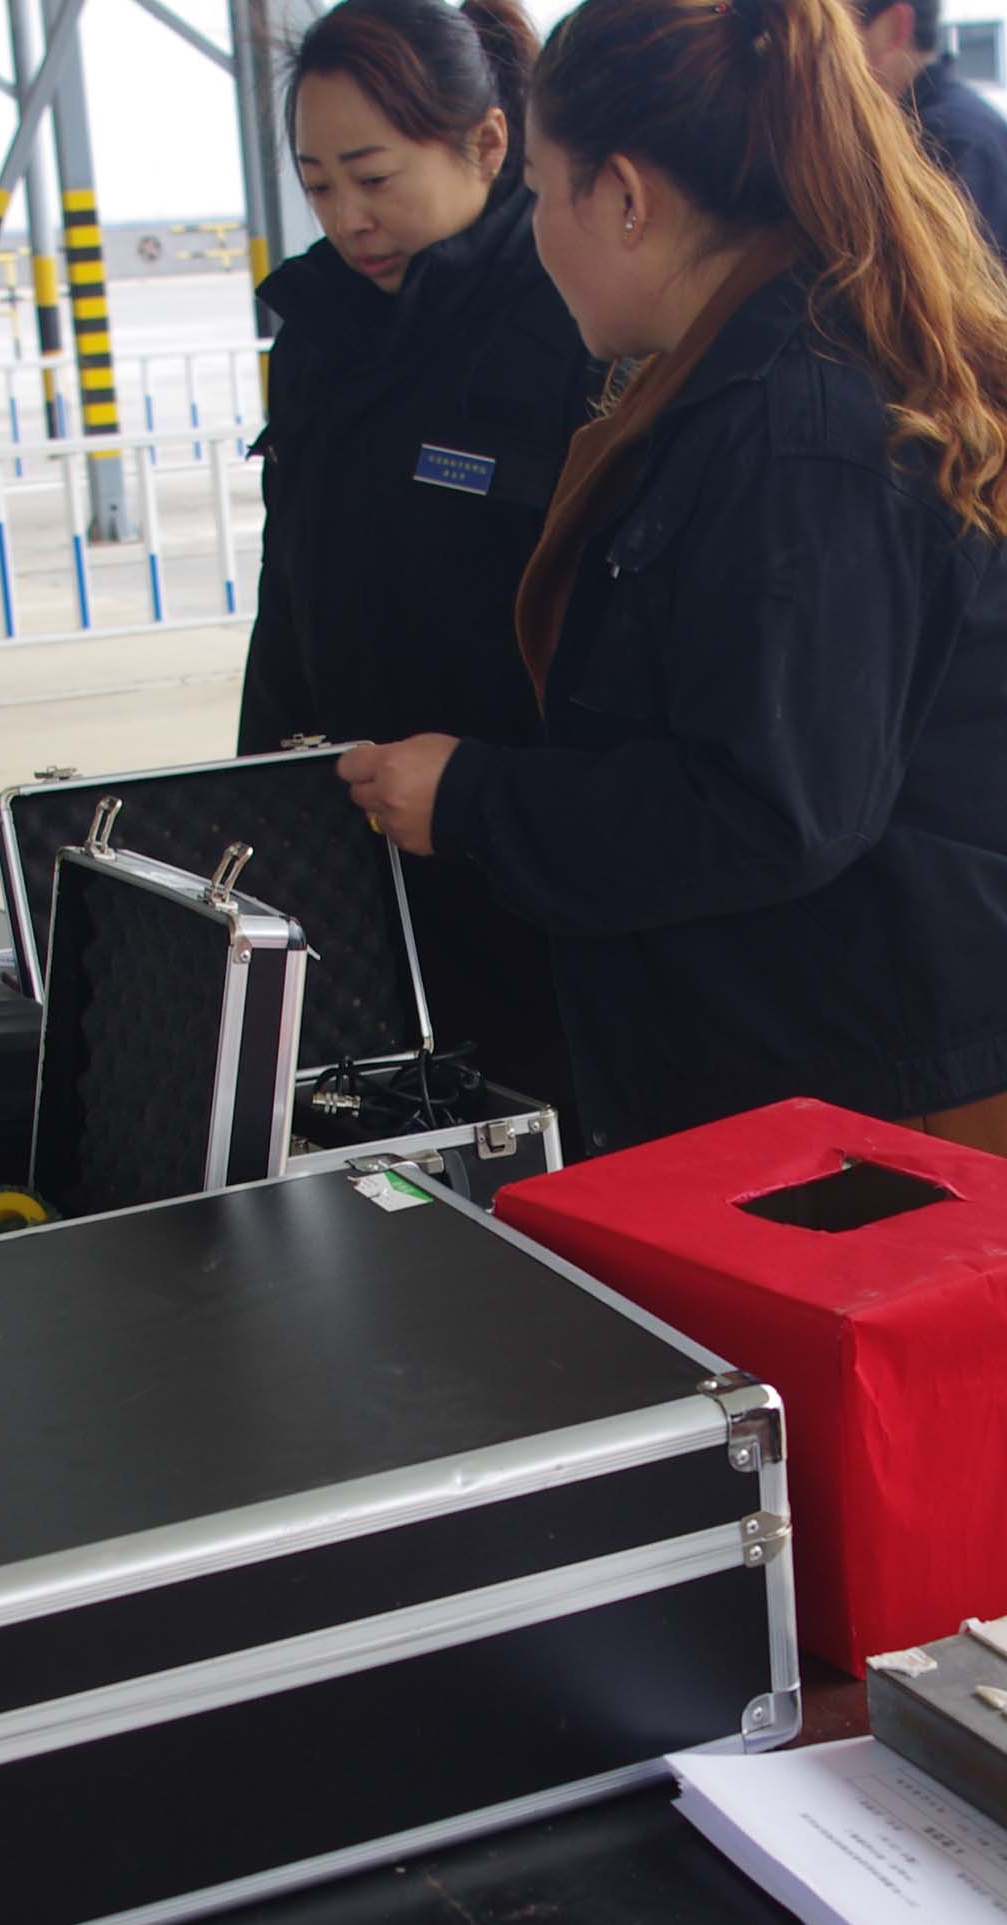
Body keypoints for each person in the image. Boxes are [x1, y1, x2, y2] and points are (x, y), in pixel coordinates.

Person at [336, 0, 1007, 1182]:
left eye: (540, 193)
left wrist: (477, 800)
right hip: (869, 1068)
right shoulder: (772, 355)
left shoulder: (801, 429)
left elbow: (768, 808)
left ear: (627, 196)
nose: (533, 234)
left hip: (912, 1126)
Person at [242, 0, 602, 1121]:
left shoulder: (574, 319)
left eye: (375, 177)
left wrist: (507, 806)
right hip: (353, 860)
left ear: (488, 145)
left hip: (528, 864)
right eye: (317, 185)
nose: (349, 218)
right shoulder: (317, 331)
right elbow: (286, 608)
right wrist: (259, 818)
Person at [854, 0, 1007, 345]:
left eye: (839, 32)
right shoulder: (936, 128)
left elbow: (955, 332)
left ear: (893, 28)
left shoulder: (952, 141)